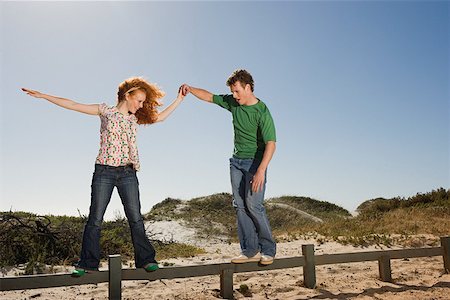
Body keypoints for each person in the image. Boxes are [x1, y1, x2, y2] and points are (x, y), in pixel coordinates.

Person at [22, 77, 185, 276]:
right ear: (127, 96)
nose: (141, 105)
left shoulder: (135, 118)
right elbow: (73, 105)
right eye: (139, 100)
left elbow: (160, 117)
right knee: (95, 218)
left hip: (127, 173)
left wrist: (179, 99)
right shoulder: (105, 111)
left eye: (143, 102)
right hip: (104, 172)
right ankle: (87, 264)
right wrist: (43, 96)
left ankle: (146, 260)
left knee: (135, 218)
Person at [181, 69, 277, 265]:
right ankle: (250, 250)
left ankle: (268, 249)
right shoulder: (234, 104)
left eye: (237, 91)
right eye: (232, 92)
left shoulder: (262, 111)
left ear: (248, 88)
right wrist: (190, 89)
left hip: (255, 163)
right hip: (236, 162)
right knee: (240, 206)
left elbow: (271, 143)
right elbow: (209, 97)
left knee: (254, 205)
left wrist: (260, 170)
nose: (234, 95)